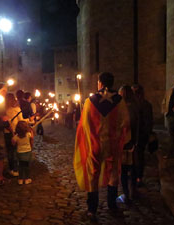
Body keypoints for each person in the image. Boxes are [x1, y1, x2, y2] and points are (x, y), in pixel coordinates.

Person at [74, 72, 130, 220]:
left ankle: (92, 209)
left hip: (95, 144)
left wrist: (90, 137)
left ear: (100, 83)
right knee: (113, 174)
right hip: (113, 144)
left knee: (93, 174)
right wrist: (117, 134)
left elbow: (85, 124)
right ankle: (112, 204)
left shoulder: (90, 101)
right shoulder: (119, 100)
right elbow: (126, 121)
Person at [118, 85, 139, 203]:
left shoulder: (125, 108)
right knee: (132, 169)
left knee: (125, 170)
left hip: (127, 142)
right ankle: (132, 191)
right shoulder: (135, 106)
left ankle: (127, 193)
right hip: (131, 141)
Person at [132, 84, 153, 186]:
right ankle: (136, 176)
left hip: (140, 135)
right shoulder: (134, 105)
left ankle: (138, 176)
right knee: (137, 156)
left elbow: (148, 122)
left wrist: (146, 133)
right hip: (136, 135)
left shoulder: (145, 105)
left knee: (139, 156)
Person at [4, 93, 23, 177]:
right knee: (15, 151)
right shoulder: (17, 109)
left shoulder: (4, 110)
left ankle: (12, 168)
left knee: (9, 151)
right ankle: (16, 169)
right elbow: (21, 121)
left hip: (6, 133)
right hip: (15, 132)